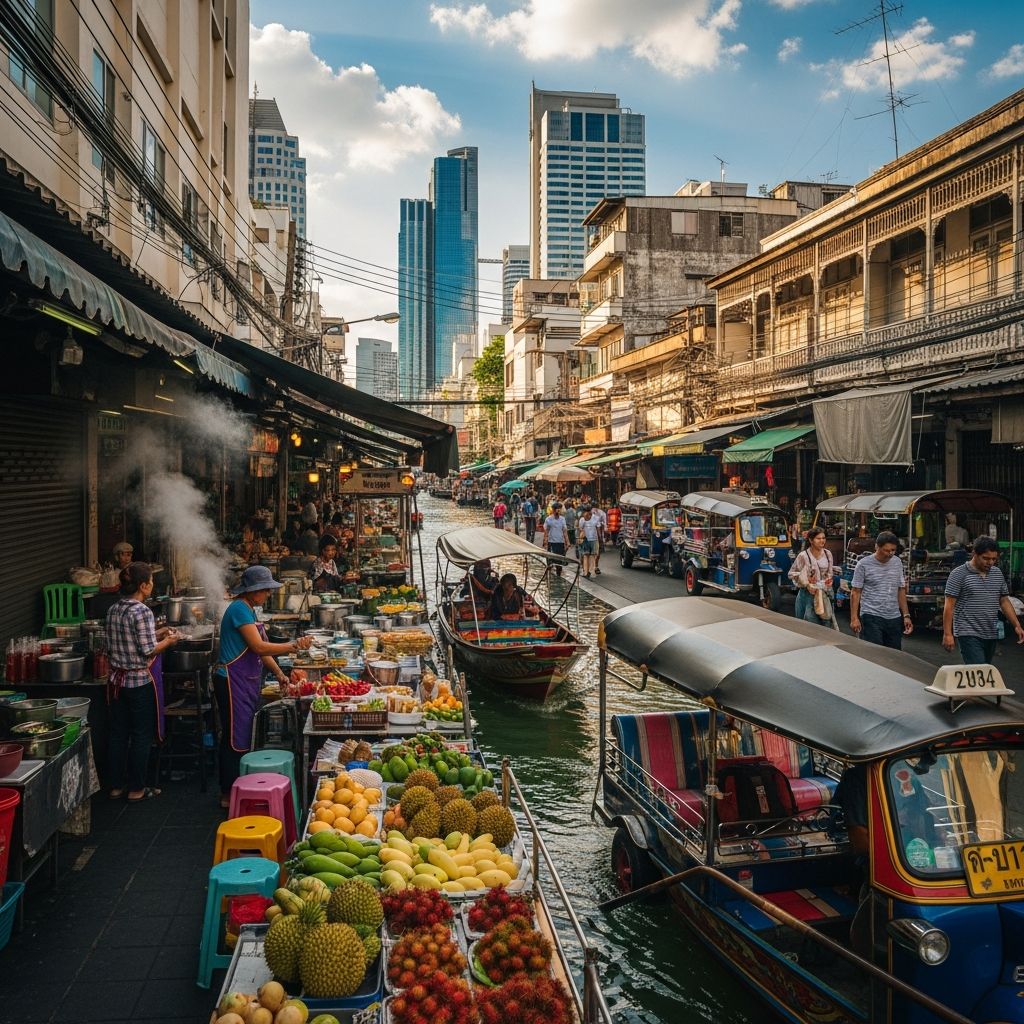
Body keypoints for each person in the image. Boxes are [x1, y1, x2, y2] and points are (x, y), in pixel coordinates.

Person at [214, 566, 312, 807]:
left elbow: (261, 648)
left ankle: (239, 787)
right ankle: (229, 793)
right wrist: (293, 645)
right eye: (265, 589)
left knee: (243, 733)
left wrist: (279, 673)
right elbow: (259, 648)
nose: (268, 593)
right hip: (230, 680)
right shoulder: (238, 609)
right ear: (253, 590)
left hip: (244, 680)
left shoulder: (248, 610)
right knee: (234, 737)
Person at [105, 562, 181, 802]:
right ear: (142, 585)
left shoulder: (114, 609)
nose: (152, 585)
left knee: (118, 734)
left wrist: (159, 633)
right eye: (150, 582)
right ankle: (137, 788)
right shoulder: (142, 611)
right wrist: (169, 641)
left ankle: (116, 786)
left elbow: (125, 641)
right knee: (140, 734)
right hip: (138, 682)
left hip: (116, 681)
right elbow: (148, 650)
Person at [943, 535, 1024, 663]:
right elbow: (949, 606)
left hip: (990, 632)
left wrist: (1017, 625)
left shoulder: (997, 573)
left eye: (994, 559)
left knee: (984, 673)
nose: (990, 562)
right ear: (974, 554)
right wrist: (948, 634)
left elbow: (1004, 601)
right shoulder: (958, 574)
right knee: (977, 669)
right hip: (967, 632)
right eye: (986, 558)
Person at [849, 531, 913, 649]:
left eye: (893, 550)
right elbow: (855, 592)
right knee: (875, 654)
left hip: (893, 617)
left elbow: (901, 589)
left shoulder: (897, 562)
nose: (890, 554)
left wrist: (906, 615)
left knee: (893, 655)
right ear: (877, 547)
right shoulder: (863, 564)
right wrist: (854, 618)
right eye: (886, 550)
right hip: (871, 615)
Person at [788, 527, 836, 627]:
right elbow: (791, 574)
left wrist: (829, 581)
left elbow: (830, 573)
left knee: (825, 624)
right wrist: (806, 581)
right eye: (818, 538)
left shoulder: (828, 554)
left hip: (824, 594)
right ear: (811, 540)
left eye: (823, 538)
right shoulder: (803, 556)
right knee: (808, 626)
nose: (822, 540)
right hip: (807, 595)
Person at [542, 501, 568, 576]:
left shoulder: (562, 519)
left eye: (559, 509)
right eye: (556, 509)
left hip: (560, 542)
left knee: (559, 563)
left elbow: (564, 531)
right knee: (550, 562)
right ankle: (548, 576)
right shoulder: (548, 519)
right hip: (551, 542)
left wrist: (567, 542)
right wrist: (545, 541)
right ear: (553, 510)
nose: (558, 510)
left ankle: (558, 575)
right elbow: (546, 531)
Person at [578, 506, 602, 578]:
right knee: (586, 555)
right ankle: (586, 572)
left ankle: (591, 571)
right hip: (585, 539)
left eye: (584, 512)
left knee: (592, 556)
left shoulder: (596, 518)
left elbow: (598, 529)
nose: (583, 514)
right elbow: (580, 528)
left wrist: (600, 539)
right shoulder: (582, 519)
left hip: (594, 539)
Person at [591, 502, 608, 575]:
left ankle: (596, 566)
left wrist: (601, 536)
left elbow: (605, 524)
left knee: (598, 552)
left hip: (598, 534)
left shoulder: (602, 513)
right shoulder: (587, 514)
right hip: (589, 535)